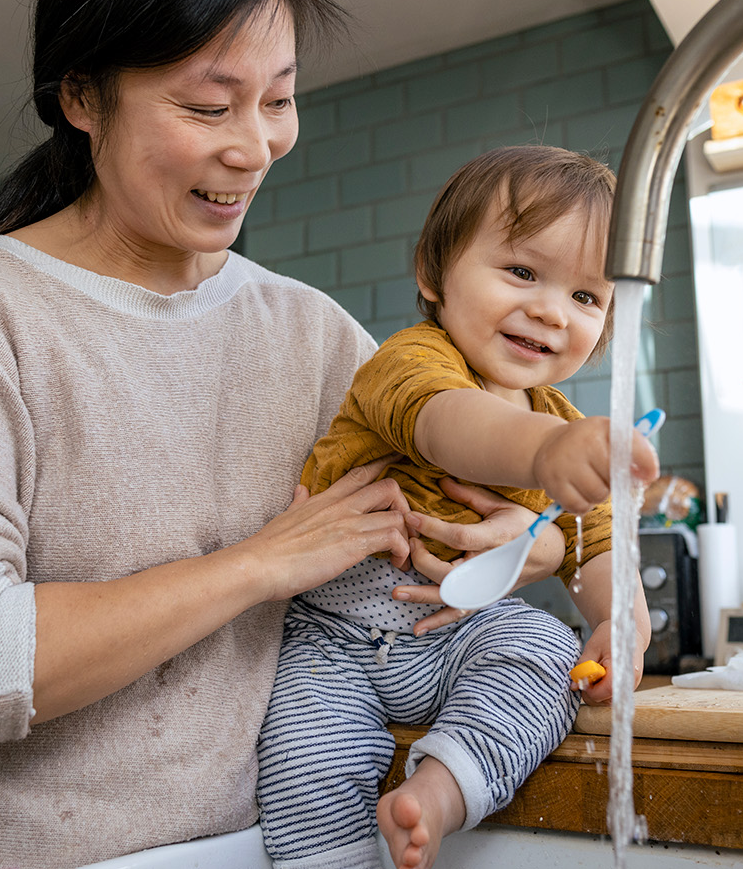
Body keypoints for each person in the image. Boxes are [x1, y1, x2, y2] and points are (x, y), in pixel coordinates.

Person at [0, 0, 573, 867]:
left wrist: (526, 546)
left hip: (269, 846)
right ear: (81, 96)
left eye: (280, 101)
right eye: (207, 107)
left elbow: (398, 586)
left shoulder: (312, 332)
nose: (257, 148)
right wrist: (255, 566)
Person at [257, 146, 660, 869]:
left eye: (586, 297)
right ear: (434, 273)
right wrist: (546, 453)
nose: (549, 310)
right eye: (523, 272)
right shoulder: (410, 363)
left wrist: (619, 620)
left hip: (461, 638)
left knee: (545, 658)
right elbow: (447, 425)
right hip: (334, 639)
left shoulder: (559, 417)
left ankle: (440, 794)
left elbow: (596, 540)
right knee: (303, 756)